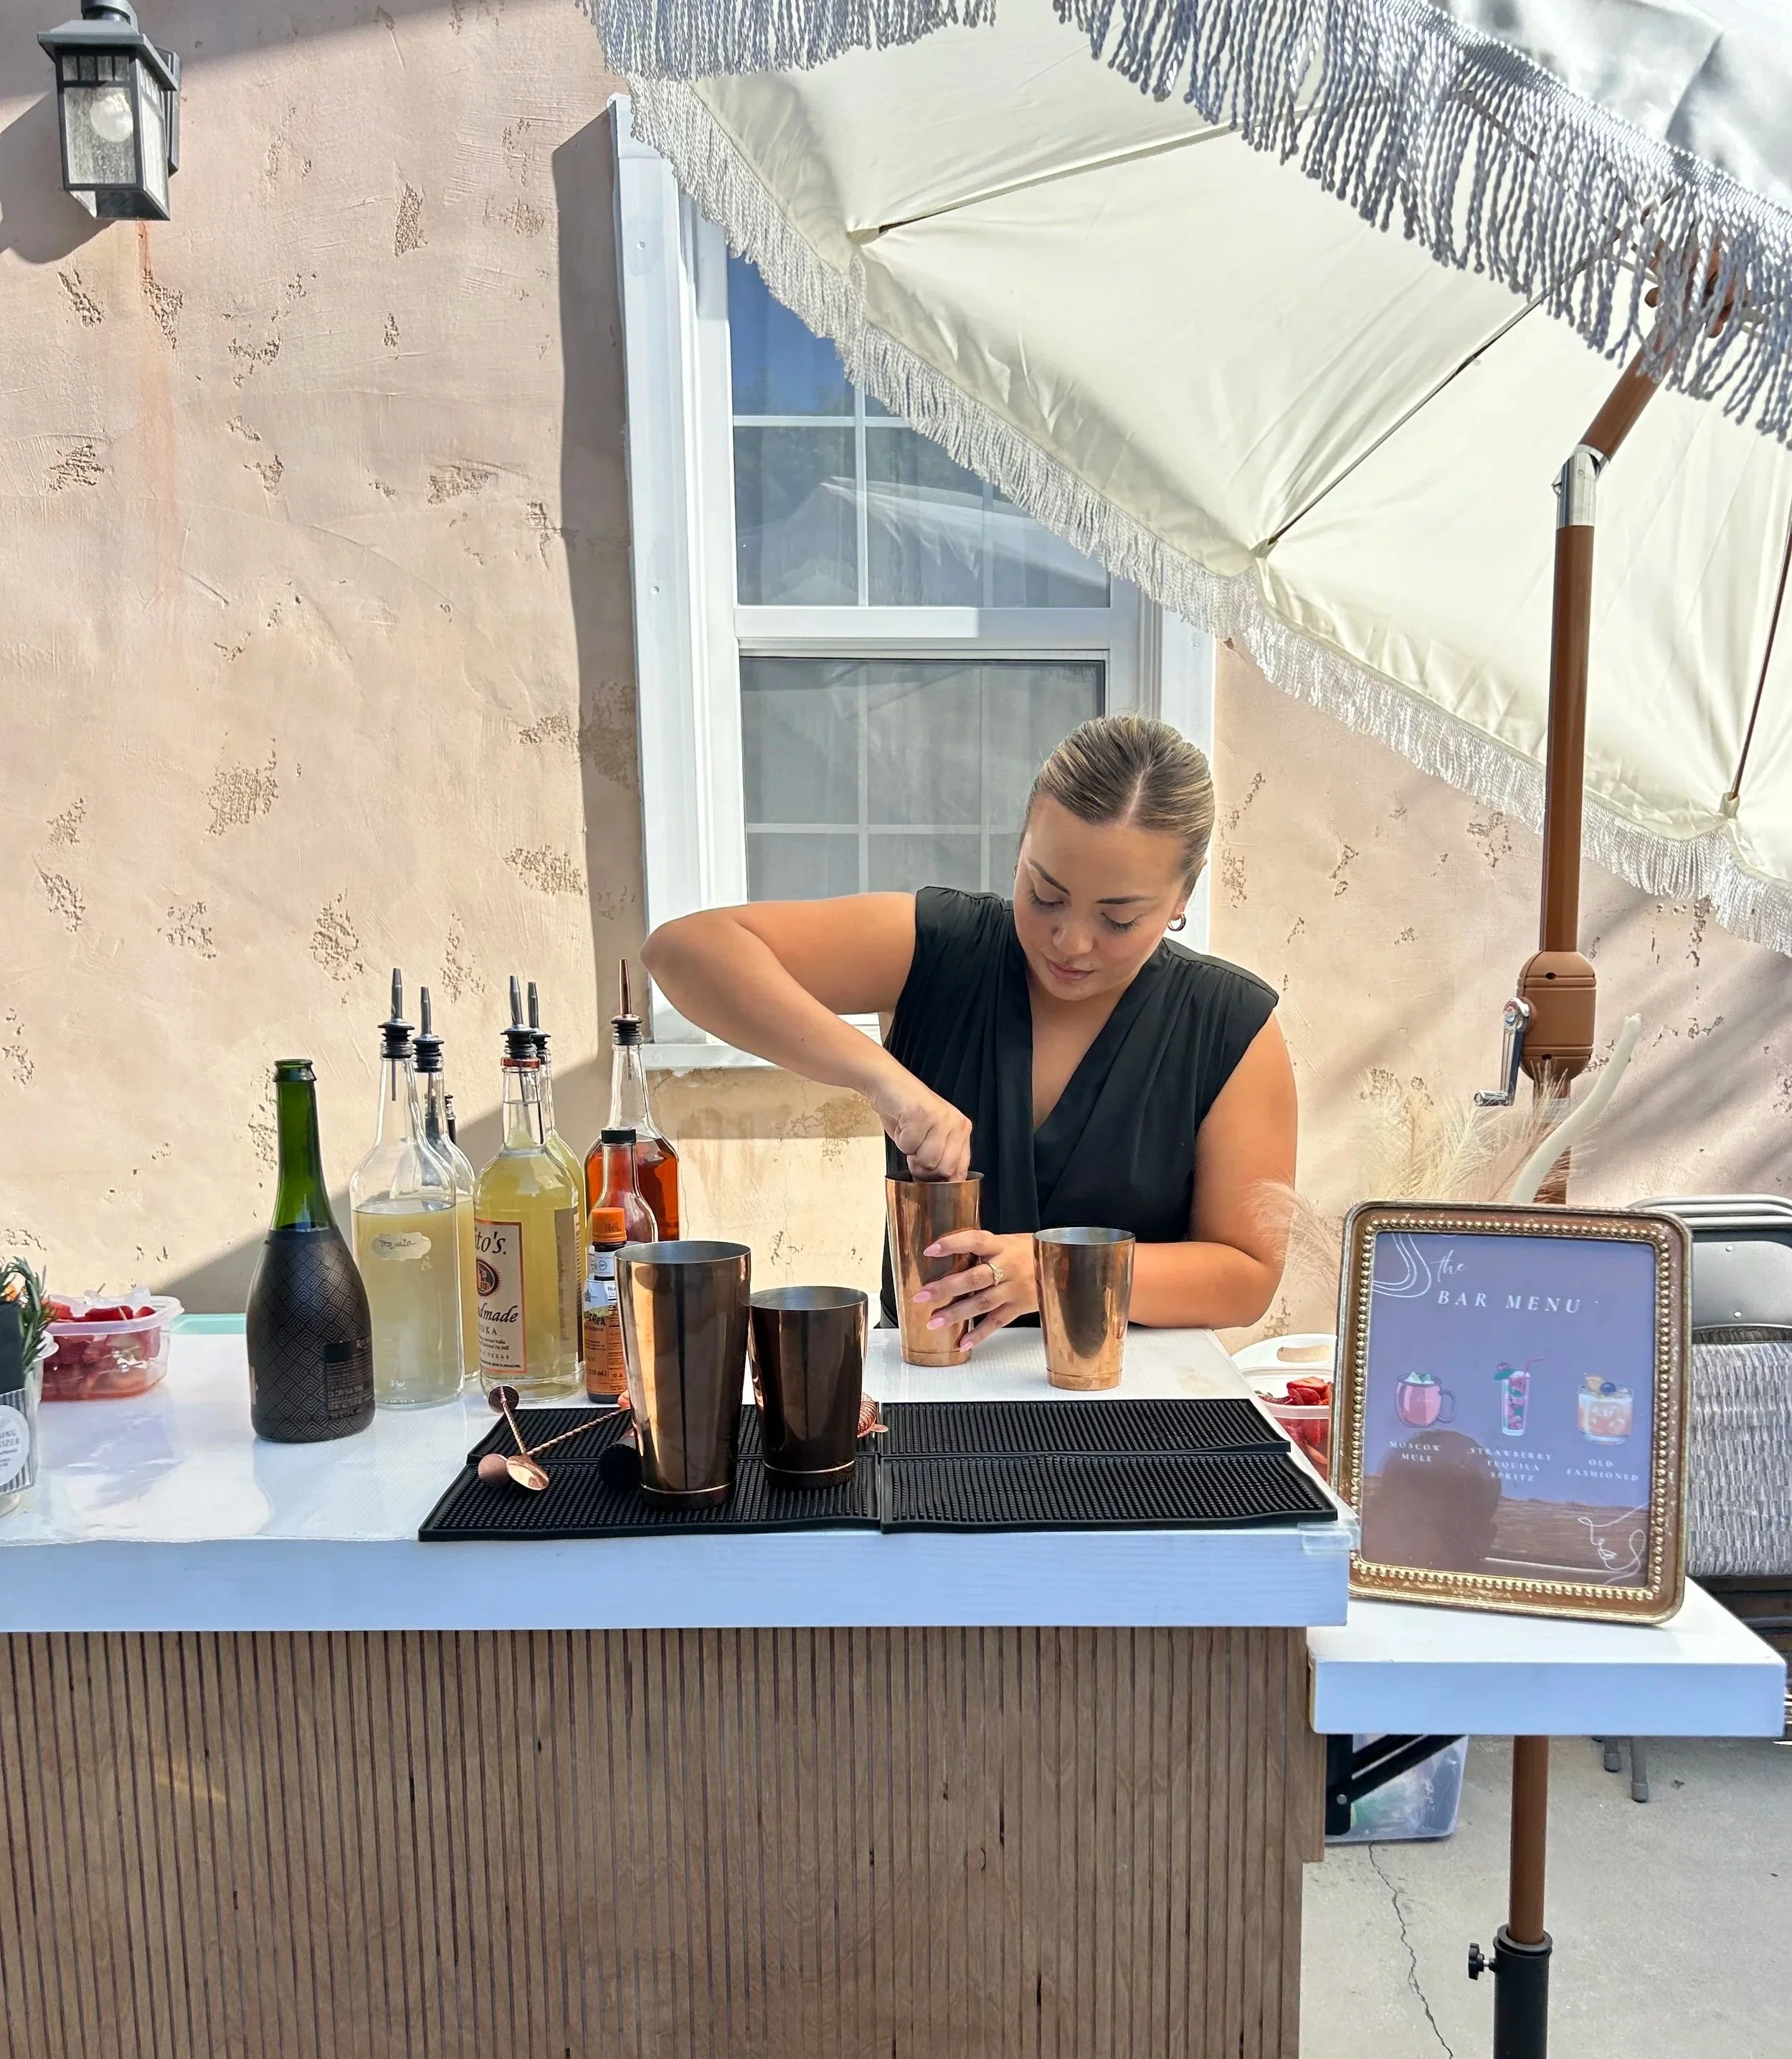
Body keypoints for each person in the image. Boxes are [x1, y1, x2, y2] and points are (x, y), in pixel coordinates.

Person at [642, 713, 1294, 1345]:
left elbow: (1246, 1278)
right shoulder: (937, 949)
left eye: (1118, 919)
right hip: (932, 1398)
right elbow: (683, 951)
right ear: (1020, 850)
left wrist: (1050, 1271)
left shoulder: (1229, 1027)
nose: (1071, 941)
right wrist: (880, 1076)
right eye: (1044, 894)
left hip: (1137, 1405)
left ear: (1183, 897)